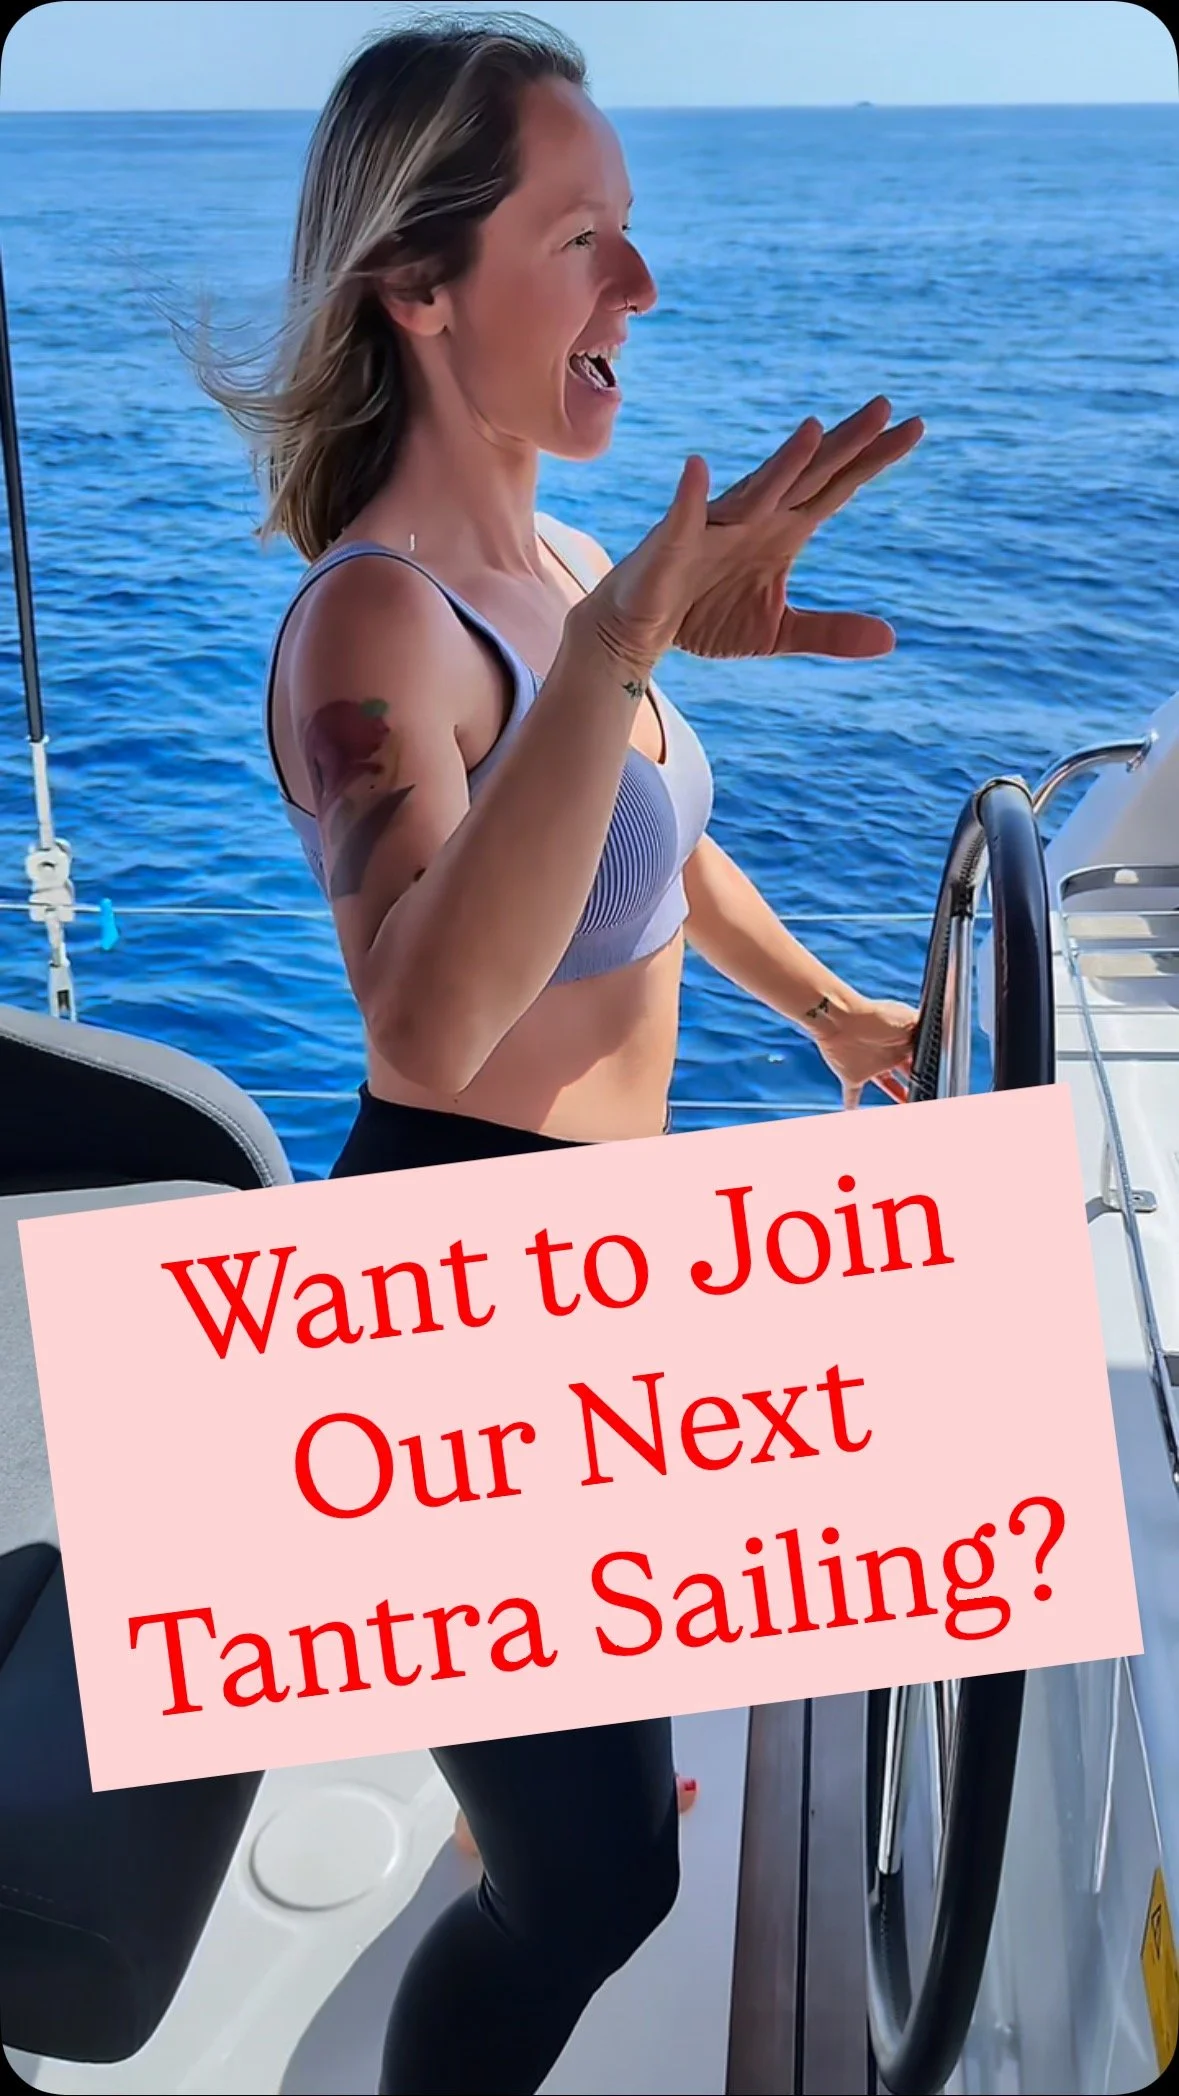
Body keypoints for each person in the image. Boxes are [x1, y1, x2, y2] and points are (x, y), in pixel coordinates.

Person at [194, 12, 923, 2091]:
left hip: (611, 1278)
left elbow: (653, 853)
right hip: (447, 1293)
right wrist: (610, 656)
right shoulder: (377, 626)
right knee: (598, 1891)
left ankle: (511, 1787)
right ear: (417, 291)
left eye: (631, 232)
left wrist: (830, 1012)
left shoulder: (573, 568)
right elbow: (428, 1019)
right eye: (582, 238)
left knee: (594, 1796)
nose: (642, 287)